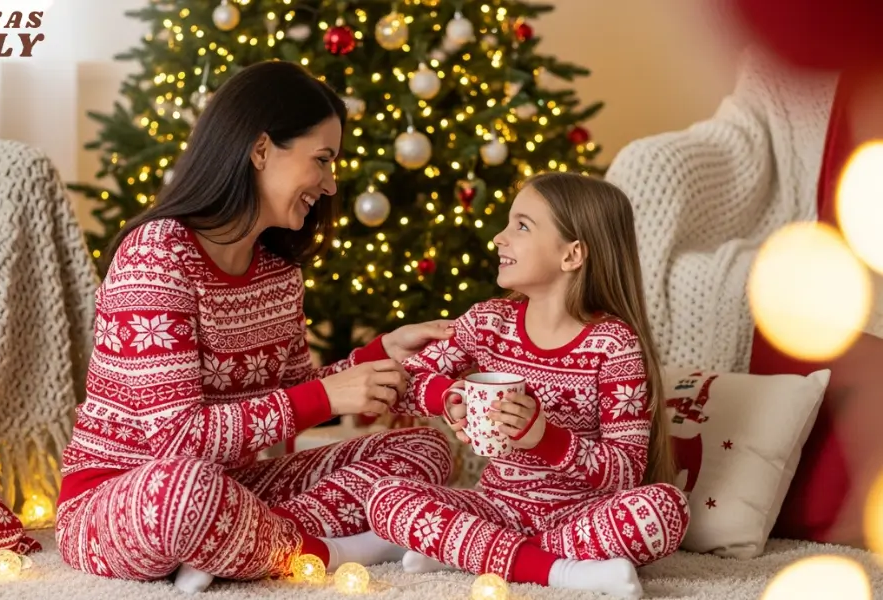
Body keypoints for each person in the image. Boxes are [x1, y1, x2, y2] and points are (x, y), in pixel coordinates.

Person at [54, 61, 454, 592]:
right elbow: (178, 441)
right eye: (322, 160)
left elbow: (289, 398)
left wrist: (378, 354)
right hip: (125, 496)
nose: (331, 185)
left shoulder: (278, 272)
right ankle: (325, 551)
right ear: (261, 149)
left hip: (235, 486)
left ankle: (238, 543)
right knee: (183, 492)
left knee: (426, 450)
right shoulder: (155, 256)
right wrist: (326, 398)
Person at [367, 172, 690, 599]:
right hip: (497, 508)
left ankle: (473, 552)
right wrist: (446, 397)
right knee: (385, 497)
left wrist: (545, 437)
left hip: (581, 518)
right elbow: (403, 382)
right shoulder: (488, 323)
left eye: (521, 226)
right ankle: (563, 573)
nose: (500, 238)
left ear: (572, 254)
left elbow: (626, 473)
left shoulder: (613, 346)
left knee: (665, 510)